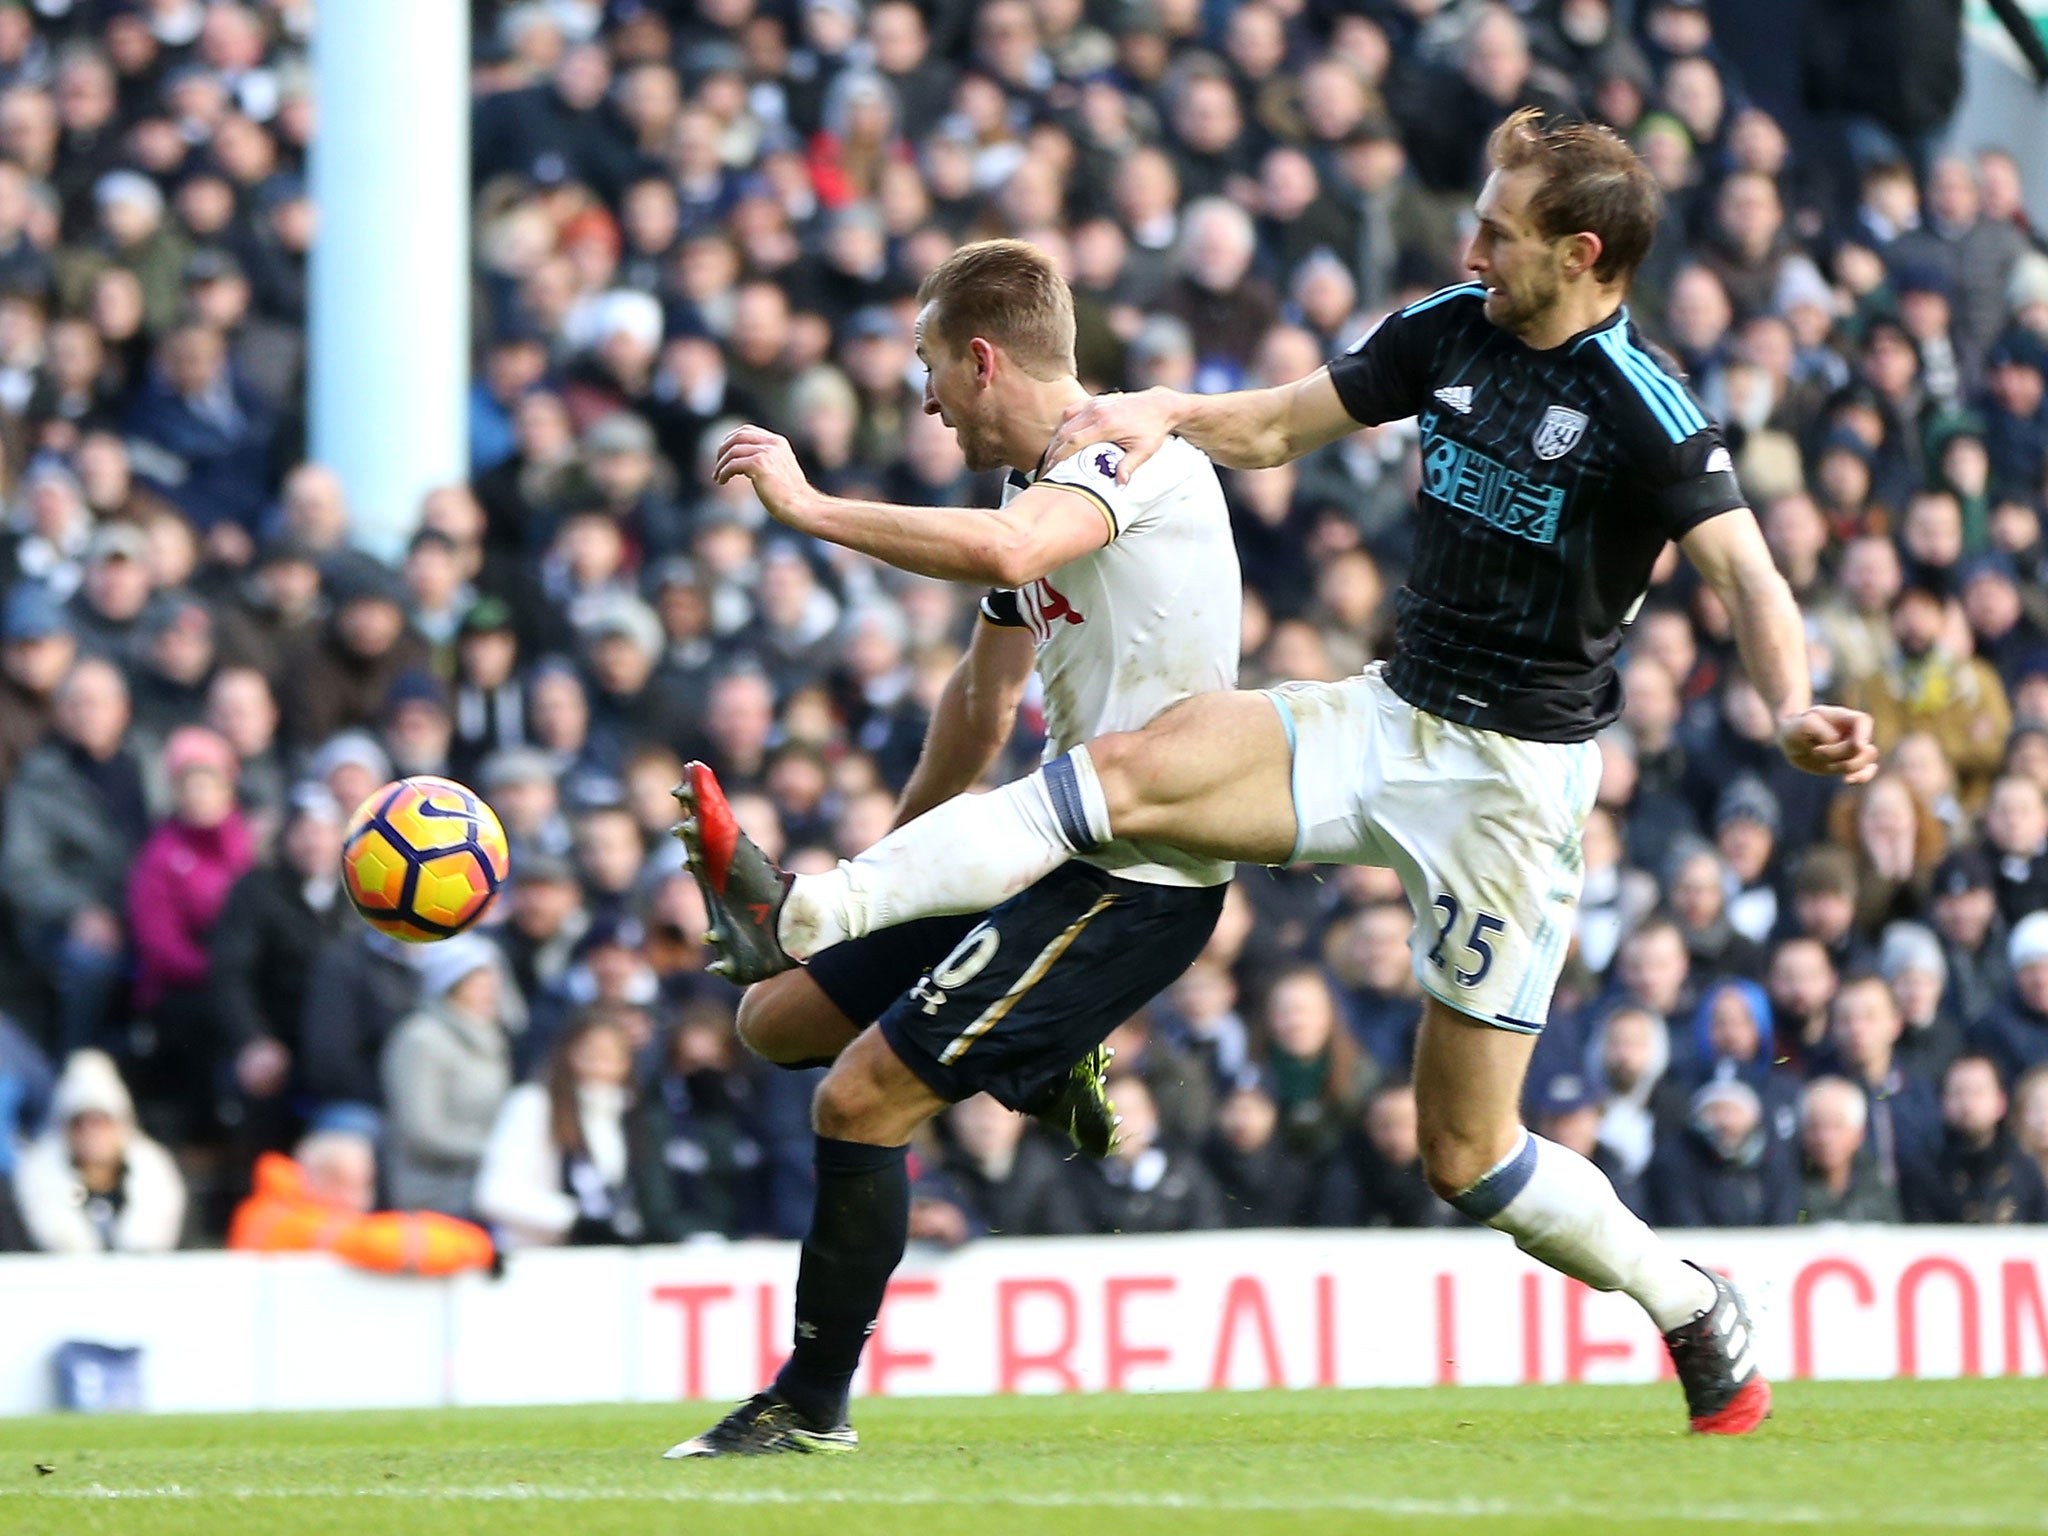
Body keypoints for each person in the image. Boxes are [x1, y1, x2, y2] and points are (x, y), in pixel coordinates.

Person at [682, 112, 1884, 1438]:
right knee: (1128, 774)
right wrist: (1174, 408)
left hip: (1513, 785)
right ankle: (809, 914)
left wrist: (1787, 708)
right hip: (1390, 714)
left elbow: (1747, 572)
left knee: (1467, 1158)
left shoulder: (1644, 412)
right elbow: (1278, 428)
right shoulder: (1449, 329)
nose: (1470, 242)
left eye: (1498, 228)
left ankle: (1690, 1302)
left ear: (1581, 252)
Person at [666, 240, 1241, 1456]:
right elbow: (982, 704)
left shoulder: (1117, 462)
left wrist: (810, 508)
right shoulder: (1029, 486)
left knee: (860, 1098)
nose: (921, 397)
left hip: (1138, 871)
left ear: (981, 360)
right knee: (772, 1023)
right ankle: (1039, 1054)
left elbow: (1008, 556)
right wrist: (887, 877)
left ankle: (806, 1406)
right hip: (1045, 837)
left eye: (929, 366)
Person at [474, 1005, 645, 1249]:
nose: (600, 1065)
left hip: (601, 1261)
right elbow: (494, 1194)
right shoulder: (533, 1105)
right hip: (533, 1258)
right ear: (567, 1053)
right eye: (590, 1053)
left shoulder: (626, 1112)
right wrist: (575, 1219)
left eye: (612, 1055)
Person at [228, 1130, 497, 1275]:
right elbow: (384, 1244)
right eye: (357, 1185)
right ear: (325, 1180)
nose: (362, 1200)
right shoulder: (294, 1221)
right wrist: (479, 1247)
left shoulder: (266, 1207)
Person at [379, 935, 515, 1219]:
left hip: (485, 1178)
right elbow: (421, 1132)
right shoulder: (422, 1038)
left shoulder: (493, 1038)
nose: (489, 987)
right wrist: (496, 1151)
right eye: (477, 978)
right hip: (433, 1186)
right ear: (452, 983)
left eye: (491, 976)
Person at [12, 1049, 186, 1253]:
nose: (91, 1134)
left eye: (100, 1122)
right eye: (80, 1123)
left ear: (122, 1126)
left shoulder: (153, 1175)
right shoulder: (38, 1177)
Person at [1900, 1053, 2048, 1224]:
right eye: (1958, 1093)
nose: (1968, 1104)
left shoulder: (2025, 1171)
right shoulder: (1923, 1173)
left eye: (1978, 1092)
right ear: (1943, 1101)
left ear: (2000, 1101)